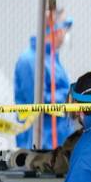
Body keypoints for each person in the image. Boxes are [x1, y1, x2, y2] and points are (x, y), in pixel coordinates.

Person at [13, 14, 72, 150]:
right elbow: (36, 101)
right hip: (40, 141)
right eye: (65, 28)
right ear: (57, 30)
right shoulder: (30, 60)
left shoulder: (50, 57)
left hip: (56, 138)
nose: (65, 34)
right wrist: (67, 96)